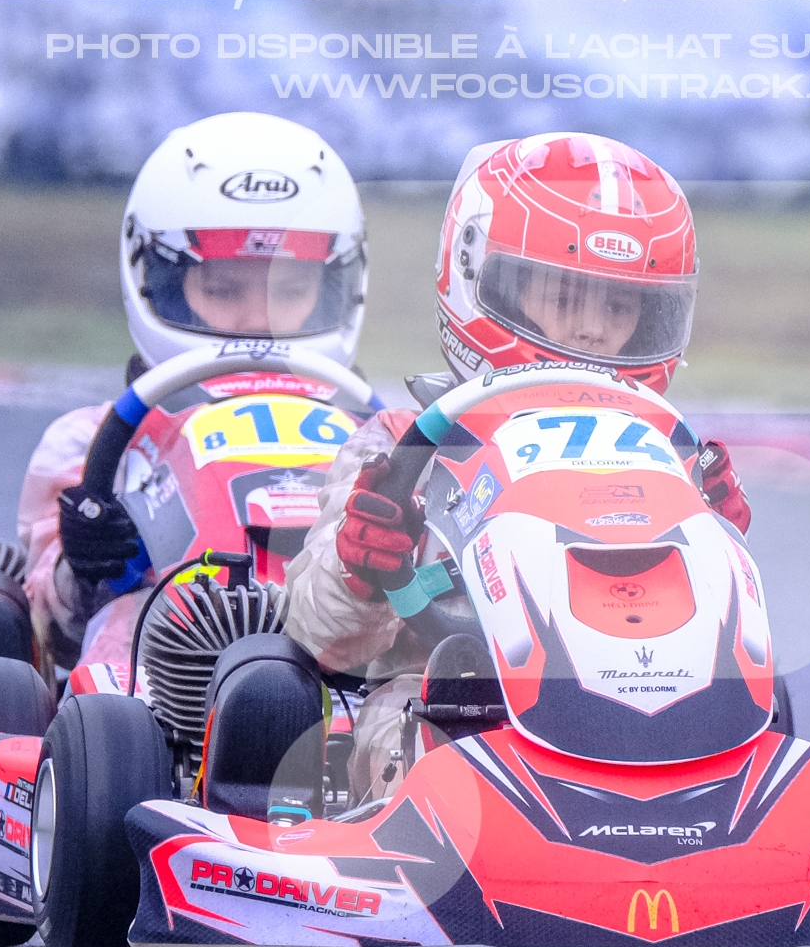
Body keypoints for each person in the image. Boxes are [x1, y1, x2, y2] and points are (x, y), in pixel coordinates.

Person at [276, 132, 752, 804]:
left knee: (744, 707)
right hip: (450, 707)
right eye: (563, 296)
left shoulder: (665, 452)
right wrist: (362, 568)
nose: (591, 330)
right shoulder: (401, 450)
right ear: (481, 281)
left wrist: (717, 548)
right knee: (427, 735)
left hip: (639, 699)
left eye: (618, 306)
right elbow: (319, 641)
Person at [15, 112, 369, 671]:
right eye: (224, 289)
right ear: (159, 282)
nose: (258, 321)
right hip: (163, 686)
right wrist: (82, 565)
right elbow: (51, 634)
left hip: (352, 676)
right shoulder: (89, 445)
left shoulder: (379, 441)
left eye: (290, 289)